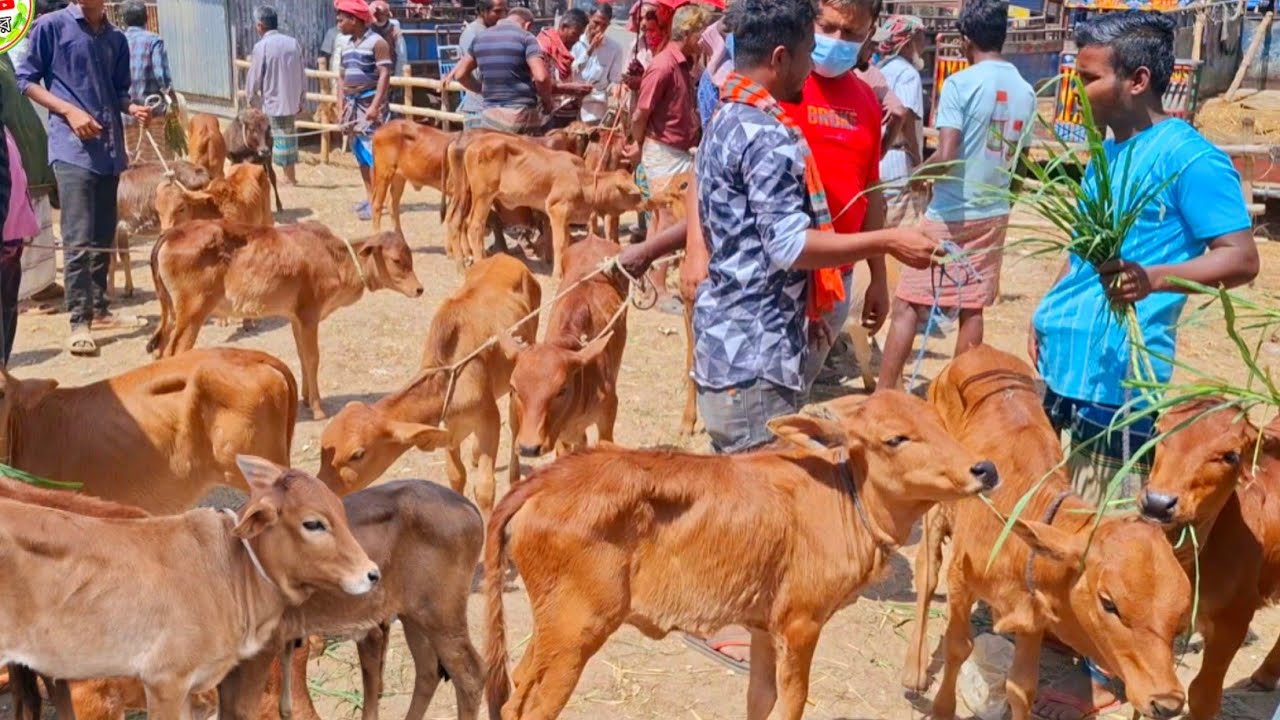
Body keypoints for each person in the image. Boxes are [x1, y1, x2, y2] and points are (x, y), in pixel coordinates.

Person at [1028, 12, 1257, 718]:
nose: (1076, 86)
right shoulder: (1108, 151)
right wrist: (1046, 310)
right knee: (1065, 511)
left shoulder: (1191, 159)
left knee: (1112, 533)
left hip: (1116, 380)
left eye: (1088, 75)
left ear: (1137, 79)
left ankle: (1112, 680)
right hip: (1065, 362)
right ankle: (1064, 640)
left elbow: (1240, 257)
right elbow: (1082, 259)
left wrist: (1157, 277)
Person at [876, 0, 1035, 390]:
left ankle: (883, 394)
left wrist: (920, 174)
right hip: (994, 209)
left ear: (965, 40)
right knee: (971, 305)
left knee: (909, 303)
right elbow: (1021, 163)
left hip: (950, 211)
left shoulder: (960, 84)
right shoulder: (1026, 90)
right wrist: (1004, 201)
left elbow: (946, 155)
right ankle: (958, 395)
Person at [17, 0, 152, 356]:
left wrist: (131, 107)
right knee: (78, 236)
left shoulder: (116, 39)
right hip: (71, 150)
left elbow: (119, 91)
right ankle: (79, 321)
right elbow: (26, 80)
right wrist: (69, 110)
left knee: (104, 233)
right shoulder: (51, 27)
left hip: (109, 152)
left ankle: (101, 310)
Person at [780, 0, 894, 394]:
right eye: (828, 28)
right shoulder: (779, 84)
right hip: (780, 274)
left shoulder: (865, 101)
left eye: (850, 33)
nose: (836, 41)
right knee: (763, 395)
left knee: (801, 387)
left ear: (869, 33)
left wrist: (878, 278)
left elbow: (871, 196)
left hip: (837, 280)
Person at [627, 3, 710, 309]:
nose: (704, 39)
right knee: (669, 217)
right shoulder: (663, 66)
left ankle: (651, 278)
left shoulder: (686, 64)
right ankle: (659, 288)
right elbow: (642, 113)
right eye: (701, 33)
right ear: (688, 33)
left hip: (678, 149)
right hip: (663, 150)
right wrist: (638, 144)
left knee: (662, 218)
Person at [451, 7, 555, 135]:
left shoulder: (480, 38)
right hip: (521, 116)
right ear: (528, 25)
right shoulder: (527, 38)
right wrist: (547, 102)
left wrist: (481, 89)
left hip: (490, 118)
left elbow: (460, 74)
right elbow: (541, 77)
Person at [336, 0, 392, 221]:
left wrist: (376, 106)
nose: (338, 23)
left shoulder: (378, 43)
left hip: (369, 106)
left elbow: (384, 75)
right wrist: (340, 106)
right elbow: (341, 78)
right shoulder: (347, 45)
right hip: (352, 106)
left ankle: (378, 200)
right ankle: (370, 197)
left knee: (373, 155)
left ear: (354, 20)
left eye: (342, 19)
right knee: (359, 153)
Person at [246, 5, 307, 186]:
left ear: (260, 26)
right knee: (288, 137)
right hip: (291, 101)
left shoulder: (261, 46)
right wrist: (301, 98)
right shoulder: (292, 43)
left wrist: (252, 100)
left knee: (269, 140)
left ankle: (273, 177)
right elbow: (302, 72)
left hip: (271, 102)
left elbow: (254, 77)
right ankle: (290, 176)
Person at [877, 14, 926, 228]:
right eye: (923, 38)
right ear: (910, 42)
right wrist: (918, 168)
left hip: (879, 166)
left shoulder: (880, 70)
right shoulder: (908, 74)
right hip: (899, 168)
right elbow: (906, 121)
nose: (926, 44)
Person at [120, 0, 173, 164]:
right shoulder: (153, 41)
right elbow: (162, 78)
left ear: (124, 20)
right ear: (147, 17)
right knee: (154, 162)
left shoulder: (117, 40)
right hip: (151, 113)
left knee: (132, 160)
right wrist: (173, 101)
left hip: (126, 114)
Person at [444, 0, 509, 130]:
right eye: (497, 11)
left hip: (495, 107)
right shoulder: (474, 34)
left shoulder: (492, 31)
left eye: (505, 11)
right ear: (483, 11)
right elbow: (476, 71)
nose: (502, 16)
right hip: (480, 109)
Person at [572, 3, 624, 125]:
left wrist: (616, 89)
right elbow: (572, 70)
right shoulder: (575, 42)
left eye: (604, 25)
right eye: (596, 23)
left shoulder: (614, 49)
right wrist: (590, 49)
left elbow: (614, 80)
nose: (599, 29)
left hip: (595, 110)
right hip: (570, 105)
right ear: (589, 18)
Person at [538, 8, 589, 127]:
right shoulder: (544, 47)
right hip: (546, 118)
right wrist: (570, 89)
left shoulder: (563, 51)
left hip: (563, 116)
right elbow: (541, 83)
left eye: (580, 35)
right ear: (563, 27)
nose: (577, 40)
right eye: (575, 34)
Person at [370, 0, 409, 79]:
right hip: (372, 76)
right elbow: (402, 58)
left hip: (388, 75)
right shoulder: (366, 30)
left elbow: (402, 58)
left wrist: (397, 78)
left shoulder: (395, 32)